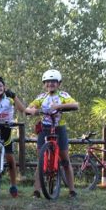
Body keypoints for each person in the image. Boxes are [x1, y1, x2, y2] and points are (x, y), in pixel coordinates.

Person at [24, 69, 79, 198]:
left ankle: (72, 190)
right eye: (48, 82)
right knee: (41, 160)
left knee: (65, 160)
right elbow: (29, 107)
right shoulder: (41, 97)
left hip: (59, 129)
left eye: (53, 82)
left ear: (59, 83)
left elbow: (76, 105)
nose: (50, 84)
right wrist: (32, 110)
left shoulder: (63, 95)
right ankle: (36, 191)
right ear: (44, 84)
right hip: (45, 129)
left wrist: (59, 107)